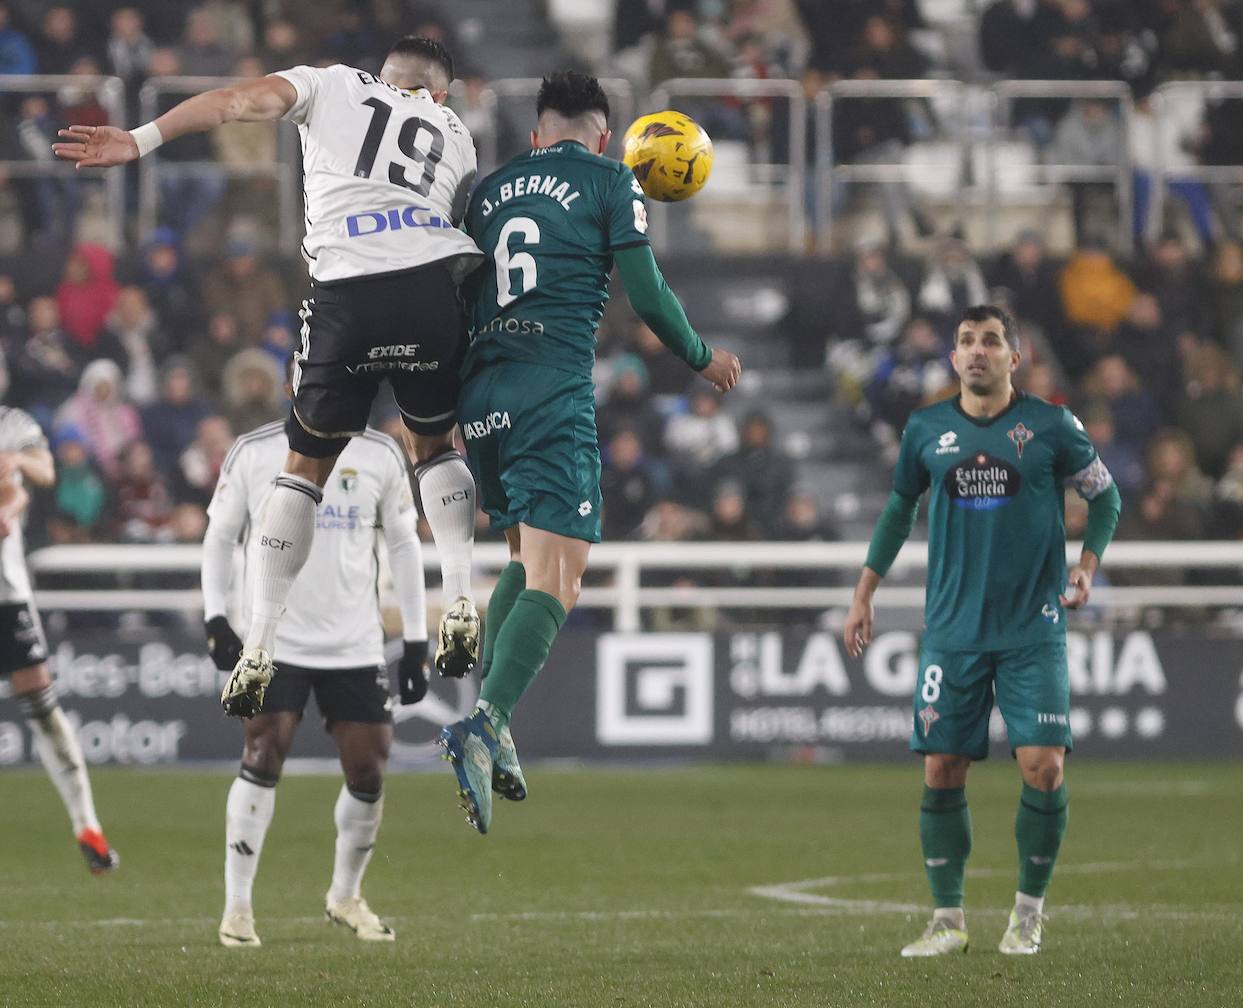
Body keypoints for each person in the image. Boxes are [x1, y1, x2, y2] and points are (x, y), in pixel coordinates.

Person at [54, 36, 487, 718]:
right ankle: (460, 595)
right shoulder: (457, 136)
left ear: (384, 76)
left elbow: (235, 104)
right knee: (432, 446)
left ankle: (261, 638)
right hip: (434, 288)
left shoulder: (334, 83)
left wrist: (140, 140)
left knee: (302, 471)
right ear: (438, 93)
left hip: (350, 290)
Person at [441, 72, 741, 834]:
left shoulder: (490, 187)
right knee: (563, 573)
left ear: (538, 134)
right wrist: (702, 356)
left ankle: (492, 718)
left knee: (520, 558)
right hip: (550, 386)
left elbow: (457, 291)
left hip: (479, 393)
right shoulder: (611, 180)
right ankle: (486, 721)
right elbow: (644, 295)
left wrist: (447, 405)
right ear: (606, 138)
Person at [842, 305, 1121, 956]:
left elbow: (1104, 496)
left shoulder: (1052, 425)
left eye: (991, 341)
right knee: (942, 768)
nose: (976, 351)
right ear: (952, 359)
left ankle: (1027, 912)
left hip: (1033, 627)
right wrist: (864, 595)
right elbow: (896, 510)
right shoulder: (926, 429)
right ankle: (947, 920)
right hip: (952, 629)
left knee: (1044, 767)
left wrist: (1086, 567)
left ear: (1013, 358)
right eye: (965, 341)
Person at [200, 388, 484, 946]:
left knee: (370, 769)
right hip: (273, 639)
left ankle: (345, 895)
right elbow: (219, 536)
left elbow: (403, 545)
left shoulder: (380, 454)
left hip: (354, 643)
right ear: (293, 389)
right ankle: (237, 909)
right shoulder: (254, 451)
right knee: (262, 752)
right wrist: (215, 616)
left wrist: (418, 636)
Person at [0, 405, 117, 872]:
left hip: (7, 595)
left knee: (44, 711)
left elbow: (36, 478)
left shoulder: (11, 424)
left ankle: (87, 823)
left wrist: (14, 479)